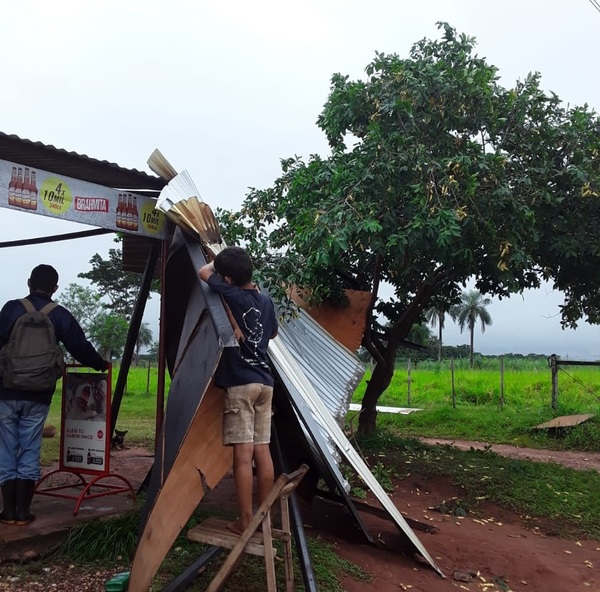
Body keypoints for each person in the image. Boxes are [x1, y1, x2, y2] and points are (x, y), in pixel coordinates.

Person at [0, 264, 108, 525]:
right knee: (30, 447)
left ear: (28, 283)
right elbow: (79, 346)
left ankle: (8, 512)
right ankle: (24, 512)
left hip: (6, 390)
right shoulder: (59, 314)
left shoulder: (11, 309)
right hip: (39, 393)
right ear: (54, 288)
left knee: (5, 447)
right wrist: (99, 365)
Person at [199, 247, 279, 534]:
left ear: (228, 279)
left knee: (242, 457)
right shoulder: (266, 301)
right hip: (265, 383)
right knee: (263, 452)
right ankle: (263, 520)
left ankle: (245, 522)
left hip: (241, 383)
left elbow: (203, 272)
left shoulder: (230, 294)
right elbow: (272, 334)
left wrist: (214, 254)